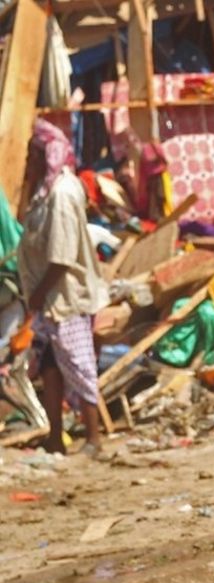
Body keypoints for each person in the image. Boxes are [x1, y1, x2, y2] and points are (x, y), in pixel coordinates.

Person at [19, 119, 108, 456]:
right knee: (49, 365)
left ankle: (94, 438)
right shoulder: (44, 192)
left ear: (47, 155)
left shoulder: (62, 193)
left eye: (33, 156)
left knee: (78, 363)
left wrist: (39, 294)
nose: (28, 163)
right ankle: (55, 436)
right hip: (48, 297)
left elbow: (63, 255)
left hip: (66, 296)